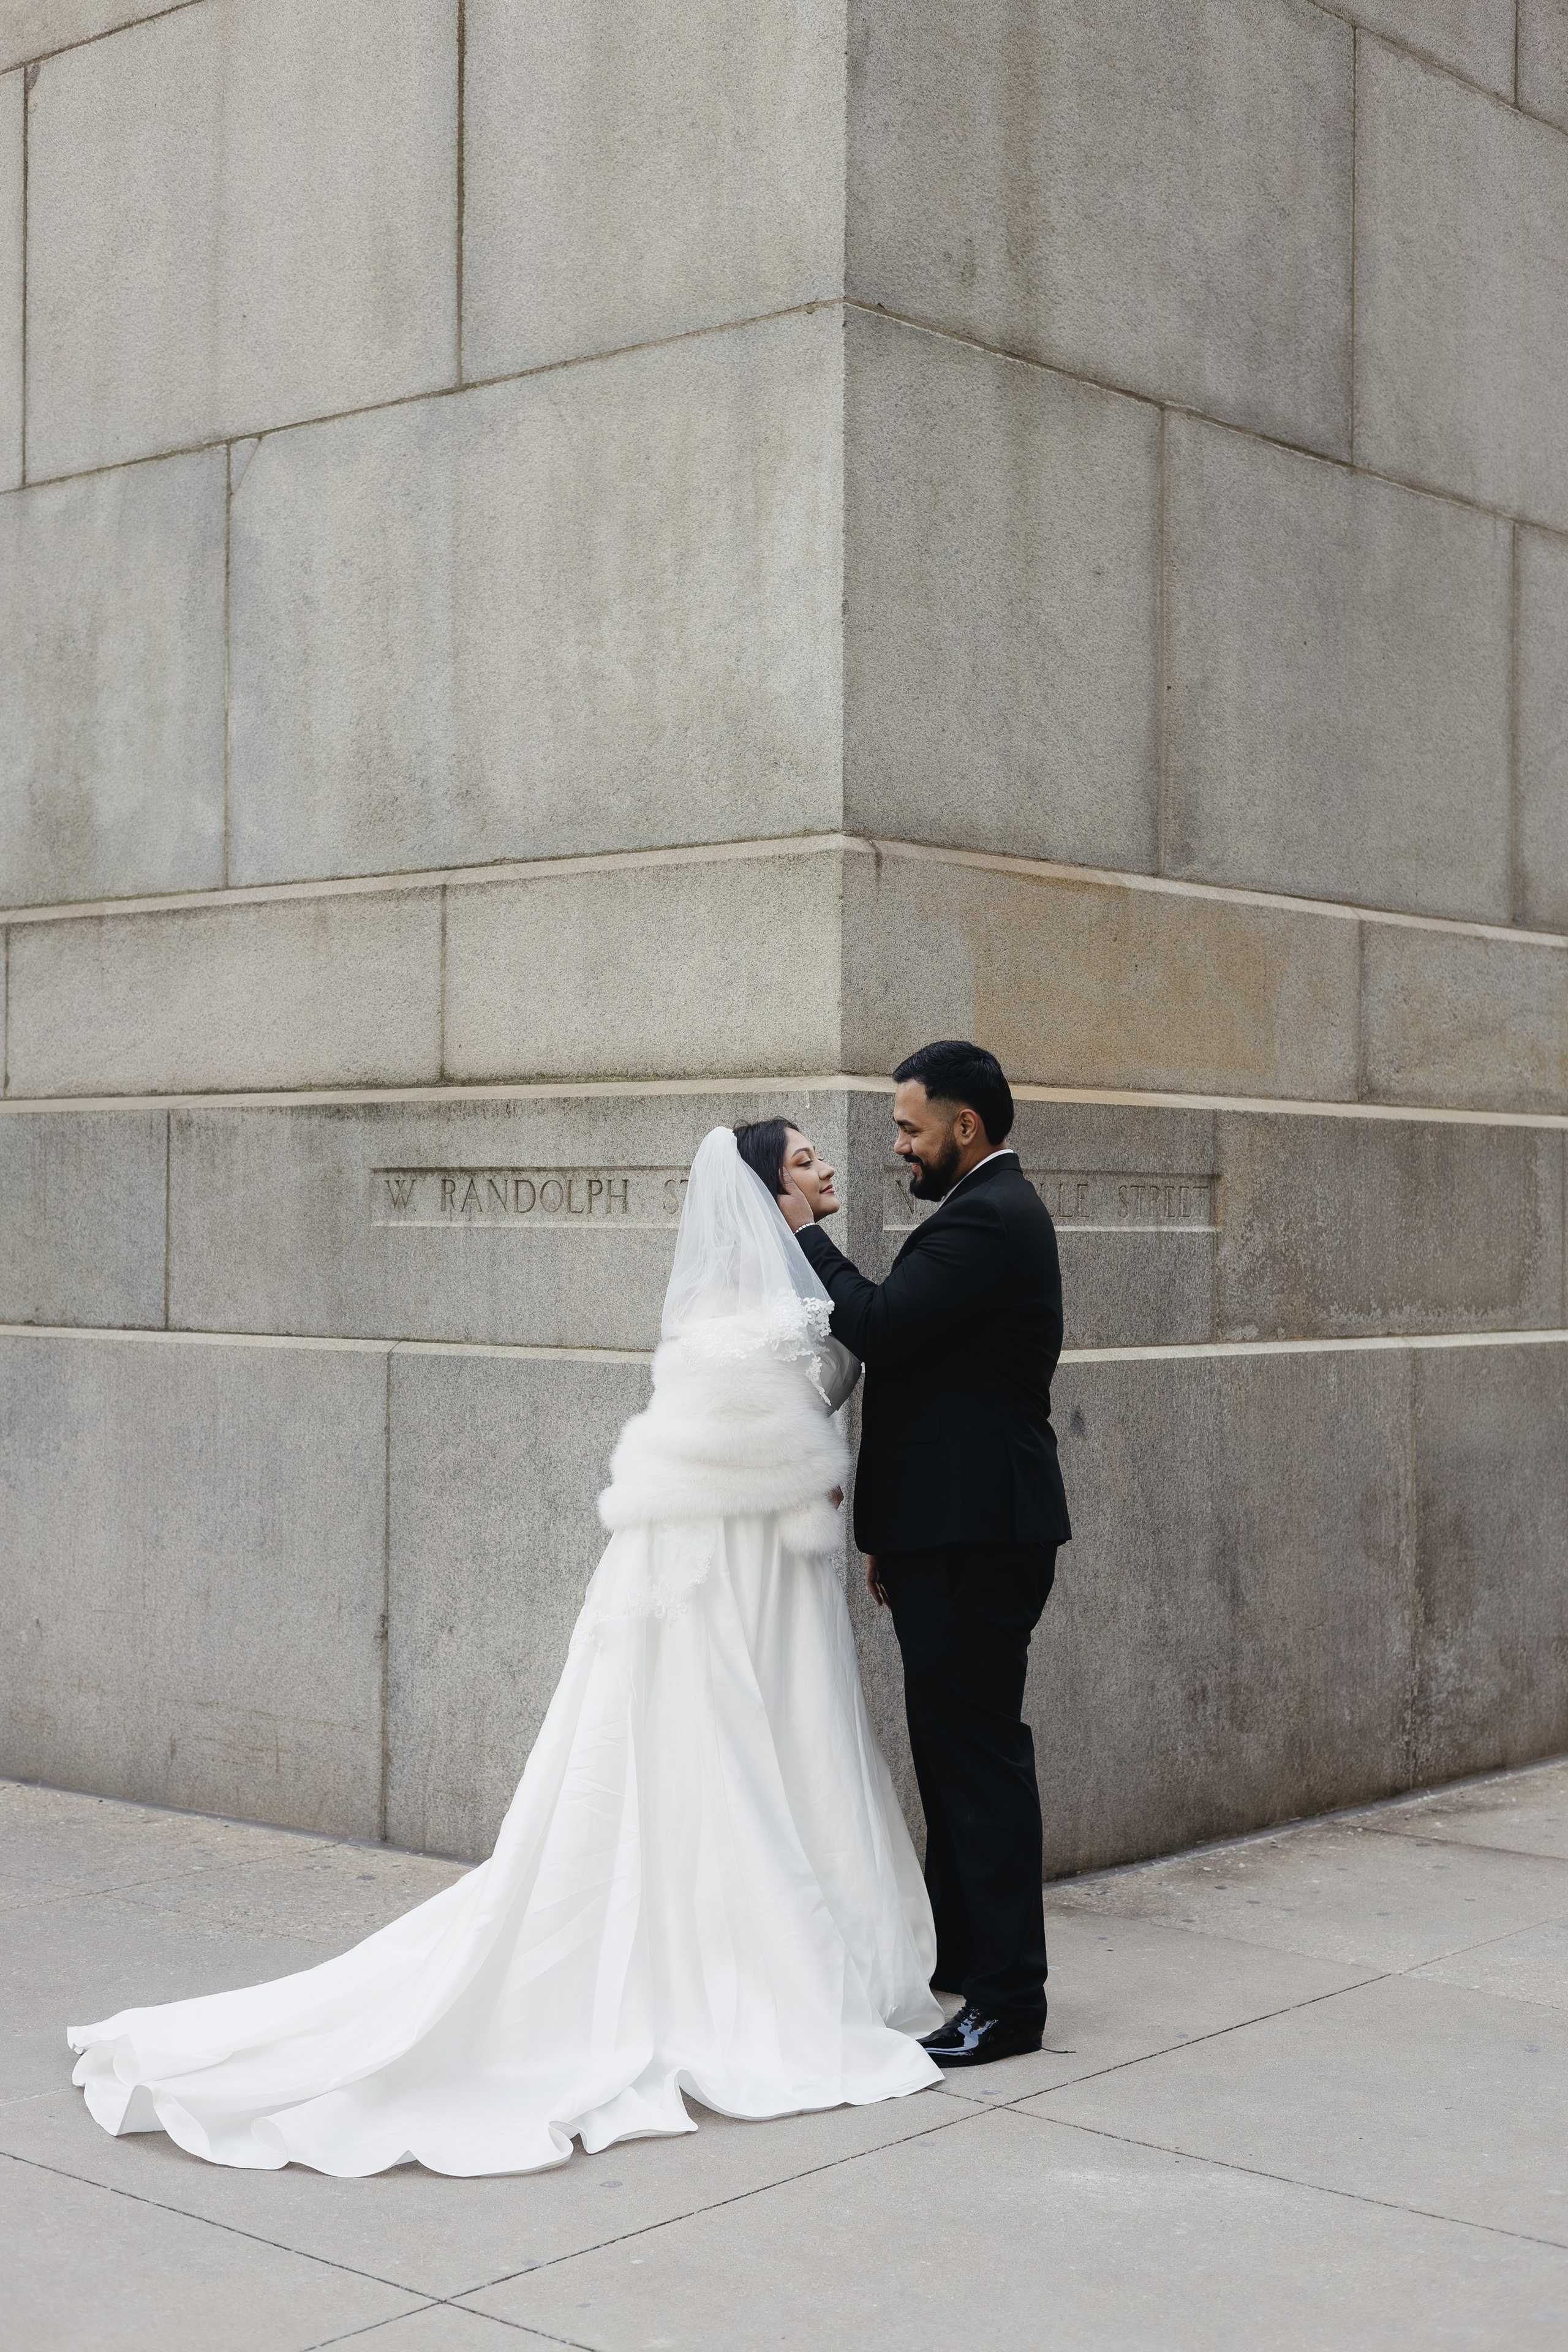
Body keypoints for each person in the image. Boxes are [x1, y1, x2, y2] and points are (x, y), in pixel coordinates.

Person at [67, 1126, 943, 2177]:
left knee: (790, 1745)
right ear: (766, 1188)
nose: (829, 1170)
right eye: (804, 1161)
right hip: (728, 1565)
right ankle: (743, 1962)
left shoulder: (810, 1281)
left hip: (779, 1564)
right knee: (722, 1749)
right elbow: (736, 1427)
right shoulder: (735, 1302)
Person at [780, 1041, 1071, 2068]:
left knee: (979, 1766)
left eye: (910, 1127)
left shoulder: (991, 1217)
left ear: (967, 1129)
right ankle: (965, 1955)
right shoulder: (979, 1216)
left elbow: (882, 1326)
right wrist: (890, 1535)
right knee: (954, 1760)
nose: (898, 1145)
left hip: (979, 1537)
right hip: (948, 1533)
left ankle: (1007, 2003)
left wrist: (806, 1235)